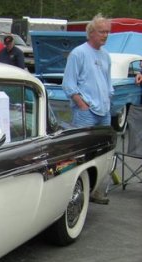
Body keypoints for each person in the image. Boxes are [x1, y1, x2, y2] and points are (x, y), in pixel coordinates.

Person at [62, 14, 114, 204]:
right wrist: (82, 104)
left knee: (104, 153)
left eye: (107, 32)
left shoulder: (106, 55)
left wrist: (108, 99)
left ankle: (97, 189)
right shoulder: (78, 53)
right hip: (86, 113)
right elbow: (68, 84)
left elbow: (108, 82)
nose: (105, 35)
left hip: (104, 112)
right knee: (81, 153)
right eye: (101, 32)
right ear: (91, 32)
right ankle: (75, 194)